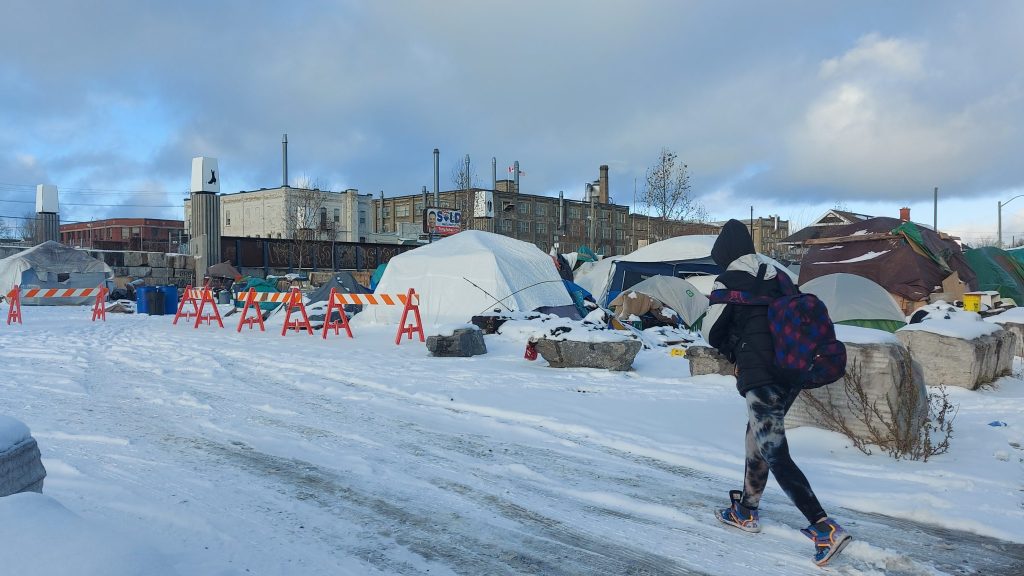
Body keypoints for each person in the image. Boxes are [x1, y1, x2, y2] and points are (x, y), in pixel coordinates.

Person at [701, 219, 852, 567]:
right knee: (758, 437)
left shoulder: (730, 279)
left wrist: (730, 345)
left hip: (760, 375)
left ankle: (822, 526)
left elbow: (711, 328)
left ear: (723, 253)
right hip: (792, 370)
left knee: (775, 450)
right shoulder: (778, 273)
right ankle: (746, 511)